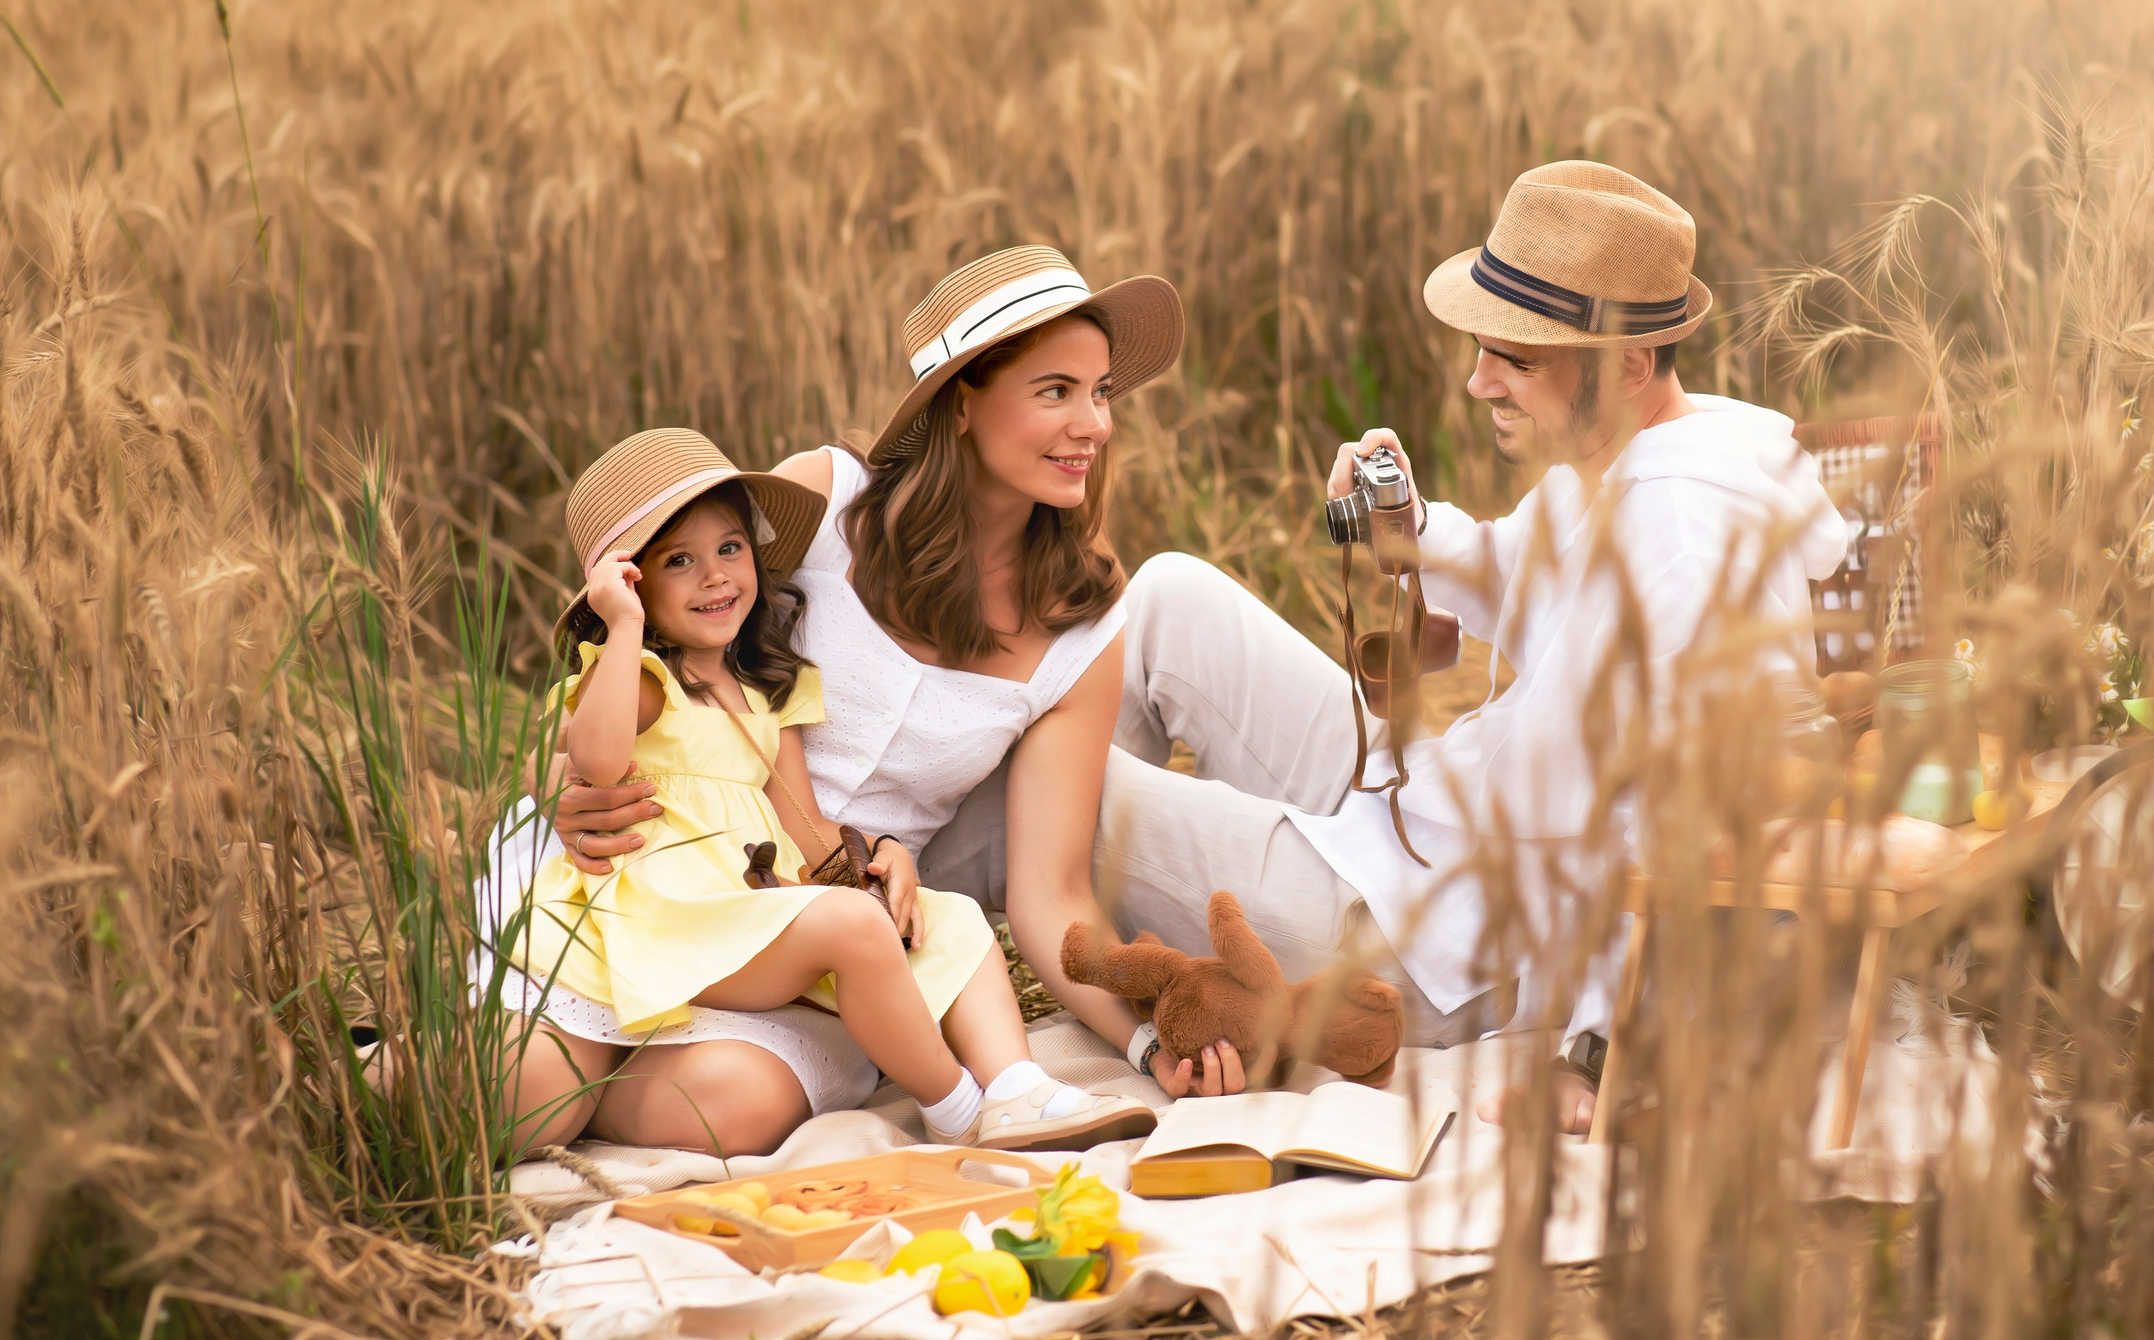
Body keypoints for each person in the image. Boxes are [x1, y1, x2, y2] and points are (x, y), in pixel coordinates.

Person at [1089, 161, 1852, 1130]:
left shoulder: (1680, 538)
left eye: (1518, 360)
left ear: (1624, 363)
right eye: (1487, 347)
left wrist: (1603, 1054)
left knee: (1059, 776)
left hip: (1433, 933)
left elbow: (1708, 820)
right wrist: (1404, 523)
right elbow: (1518, 575)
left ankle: (1019, 943)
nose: (1477, 379)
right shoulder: (1650, 445)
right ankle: (1112, 936)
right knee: (1166, 599)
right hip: (1424, 814)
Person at [497, 245, 1251, 1156]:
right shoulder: (826, 500)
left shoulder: (1083, 623)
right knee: (532, 1085)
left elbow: (1049, 897)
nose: (1091, 422)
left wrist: (1141, 1042)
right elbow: (657, 631)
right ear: (962, 400)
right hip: (646, 860)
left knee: (729, 1109)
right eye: (1056, 390)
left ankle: (598, 1074)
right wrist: (564, 778)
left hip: (833, 926)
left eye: (1102, 393)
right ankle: (542, 1057)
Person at [492, 424, 1154, 1157]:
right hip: (662, 910)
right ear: (633, 583)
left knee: (949, 916)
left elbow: (805, 827)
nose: (715, 576)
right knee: (850, 928)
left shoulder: (770, 691)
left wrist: (879, 858)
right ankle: (957, 1110)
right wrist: (622, 627)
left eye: (730, 549)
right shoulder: (646, 679)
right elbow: (597, 758)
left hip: (735, 908)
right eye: (679, 560)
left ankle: (1015, 1085)